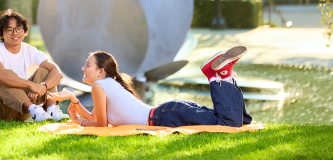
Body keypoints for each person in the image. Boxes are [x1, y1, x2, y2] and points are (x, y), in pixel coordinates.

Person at [48, 46, 253, 128]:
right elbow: (98, 118)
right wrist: (74, 102)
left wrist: (80, 123)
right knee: (241, 120)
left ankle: (217, 75)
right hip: (171, 111)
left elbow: (100, 125)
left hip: (167, 115)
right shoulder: (107, 85)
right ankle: (225, 76)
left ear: (101, 71)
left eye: (88, 65)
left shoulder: (100, 86)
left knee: (228, 123)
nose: (83, 68)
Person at [0, 9, 68, 122]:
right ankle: (35, 110)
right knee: (6, 75)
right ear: (1, 33)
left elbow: (57, 72)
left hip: (21, 108)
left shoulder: (29, 50)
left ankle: (52, 110)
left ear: (24, 30)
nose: (15, 33)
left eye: (19, 28)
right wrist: (31, 85)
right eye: (9, 29)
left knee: (45, 71)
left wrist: (43, 86)